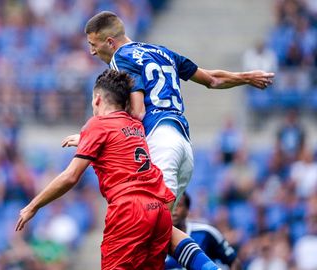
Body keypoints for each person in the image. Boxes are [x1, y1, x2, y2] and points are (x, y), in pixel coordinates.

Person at [63, 10, 274, 270]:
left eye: (93, 45)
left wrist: (94, 134)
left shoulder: (120, 59)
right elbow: (211, 79)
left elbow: (138, 112)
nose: (92, 53)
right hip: (183, 146)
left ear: (109, 42)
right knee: (161, 230)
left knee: (149, 228)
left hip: (160, 142)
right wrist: (245, 77)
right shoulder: (161, 52)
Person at [16, 69, 176, 270]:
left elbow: (70, 176)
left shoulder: (98, 124)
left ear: (98, 99)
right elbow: (116, 147)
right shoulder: (135, 125)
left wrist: (33, 206)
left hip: (130, 211)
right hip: (159, 209)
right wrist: (84, 140)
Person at [165, 192, 242, 270]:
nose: (174, 209)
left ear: (188, 210)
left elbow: (234, 261)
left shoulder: (206, 233)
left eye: (178, 205)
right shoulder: (155, 239)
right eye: (171, 205)